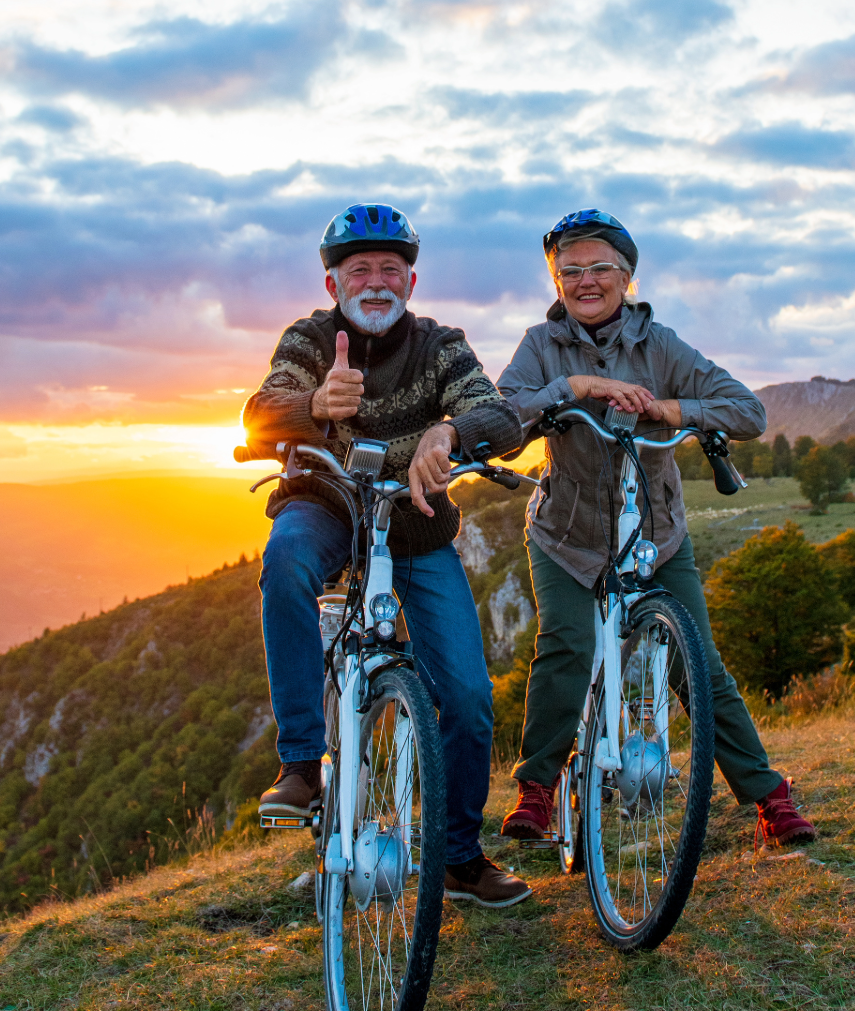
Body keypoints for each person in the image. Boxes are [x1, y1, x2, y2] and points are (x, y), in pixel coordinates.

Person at [496, 208, 816, 848]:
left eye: (600, 268)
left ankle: (769, 797)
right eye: (571, 271)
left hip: (656, 533)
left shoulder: (660, 344)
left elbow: (746, 409)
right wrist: (573, 386)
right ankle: (539, 788)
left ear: (627, 276)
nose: (586, 281)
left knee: (695, 663)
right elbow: (504, 419)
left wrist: (673, 409)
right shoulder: (541, 344)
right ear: (557, 283)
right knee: (566, 646)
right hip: (568, 536)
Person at [242, 201, 531, 908]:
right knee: (284, 566)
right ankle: (302, 764)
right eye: (359, 269)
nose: (376, 281)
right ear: (334, 284)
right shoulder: (310, 340)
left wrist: (450, 436)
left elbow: (502, 416)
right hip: (326, 503)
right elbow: (259, 412)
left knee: (465, 696)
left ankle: (459, 857)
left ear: (411, 280)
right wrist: (316, 402)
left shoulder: (440, 345)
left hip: (415, 520)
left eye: (390, 269)